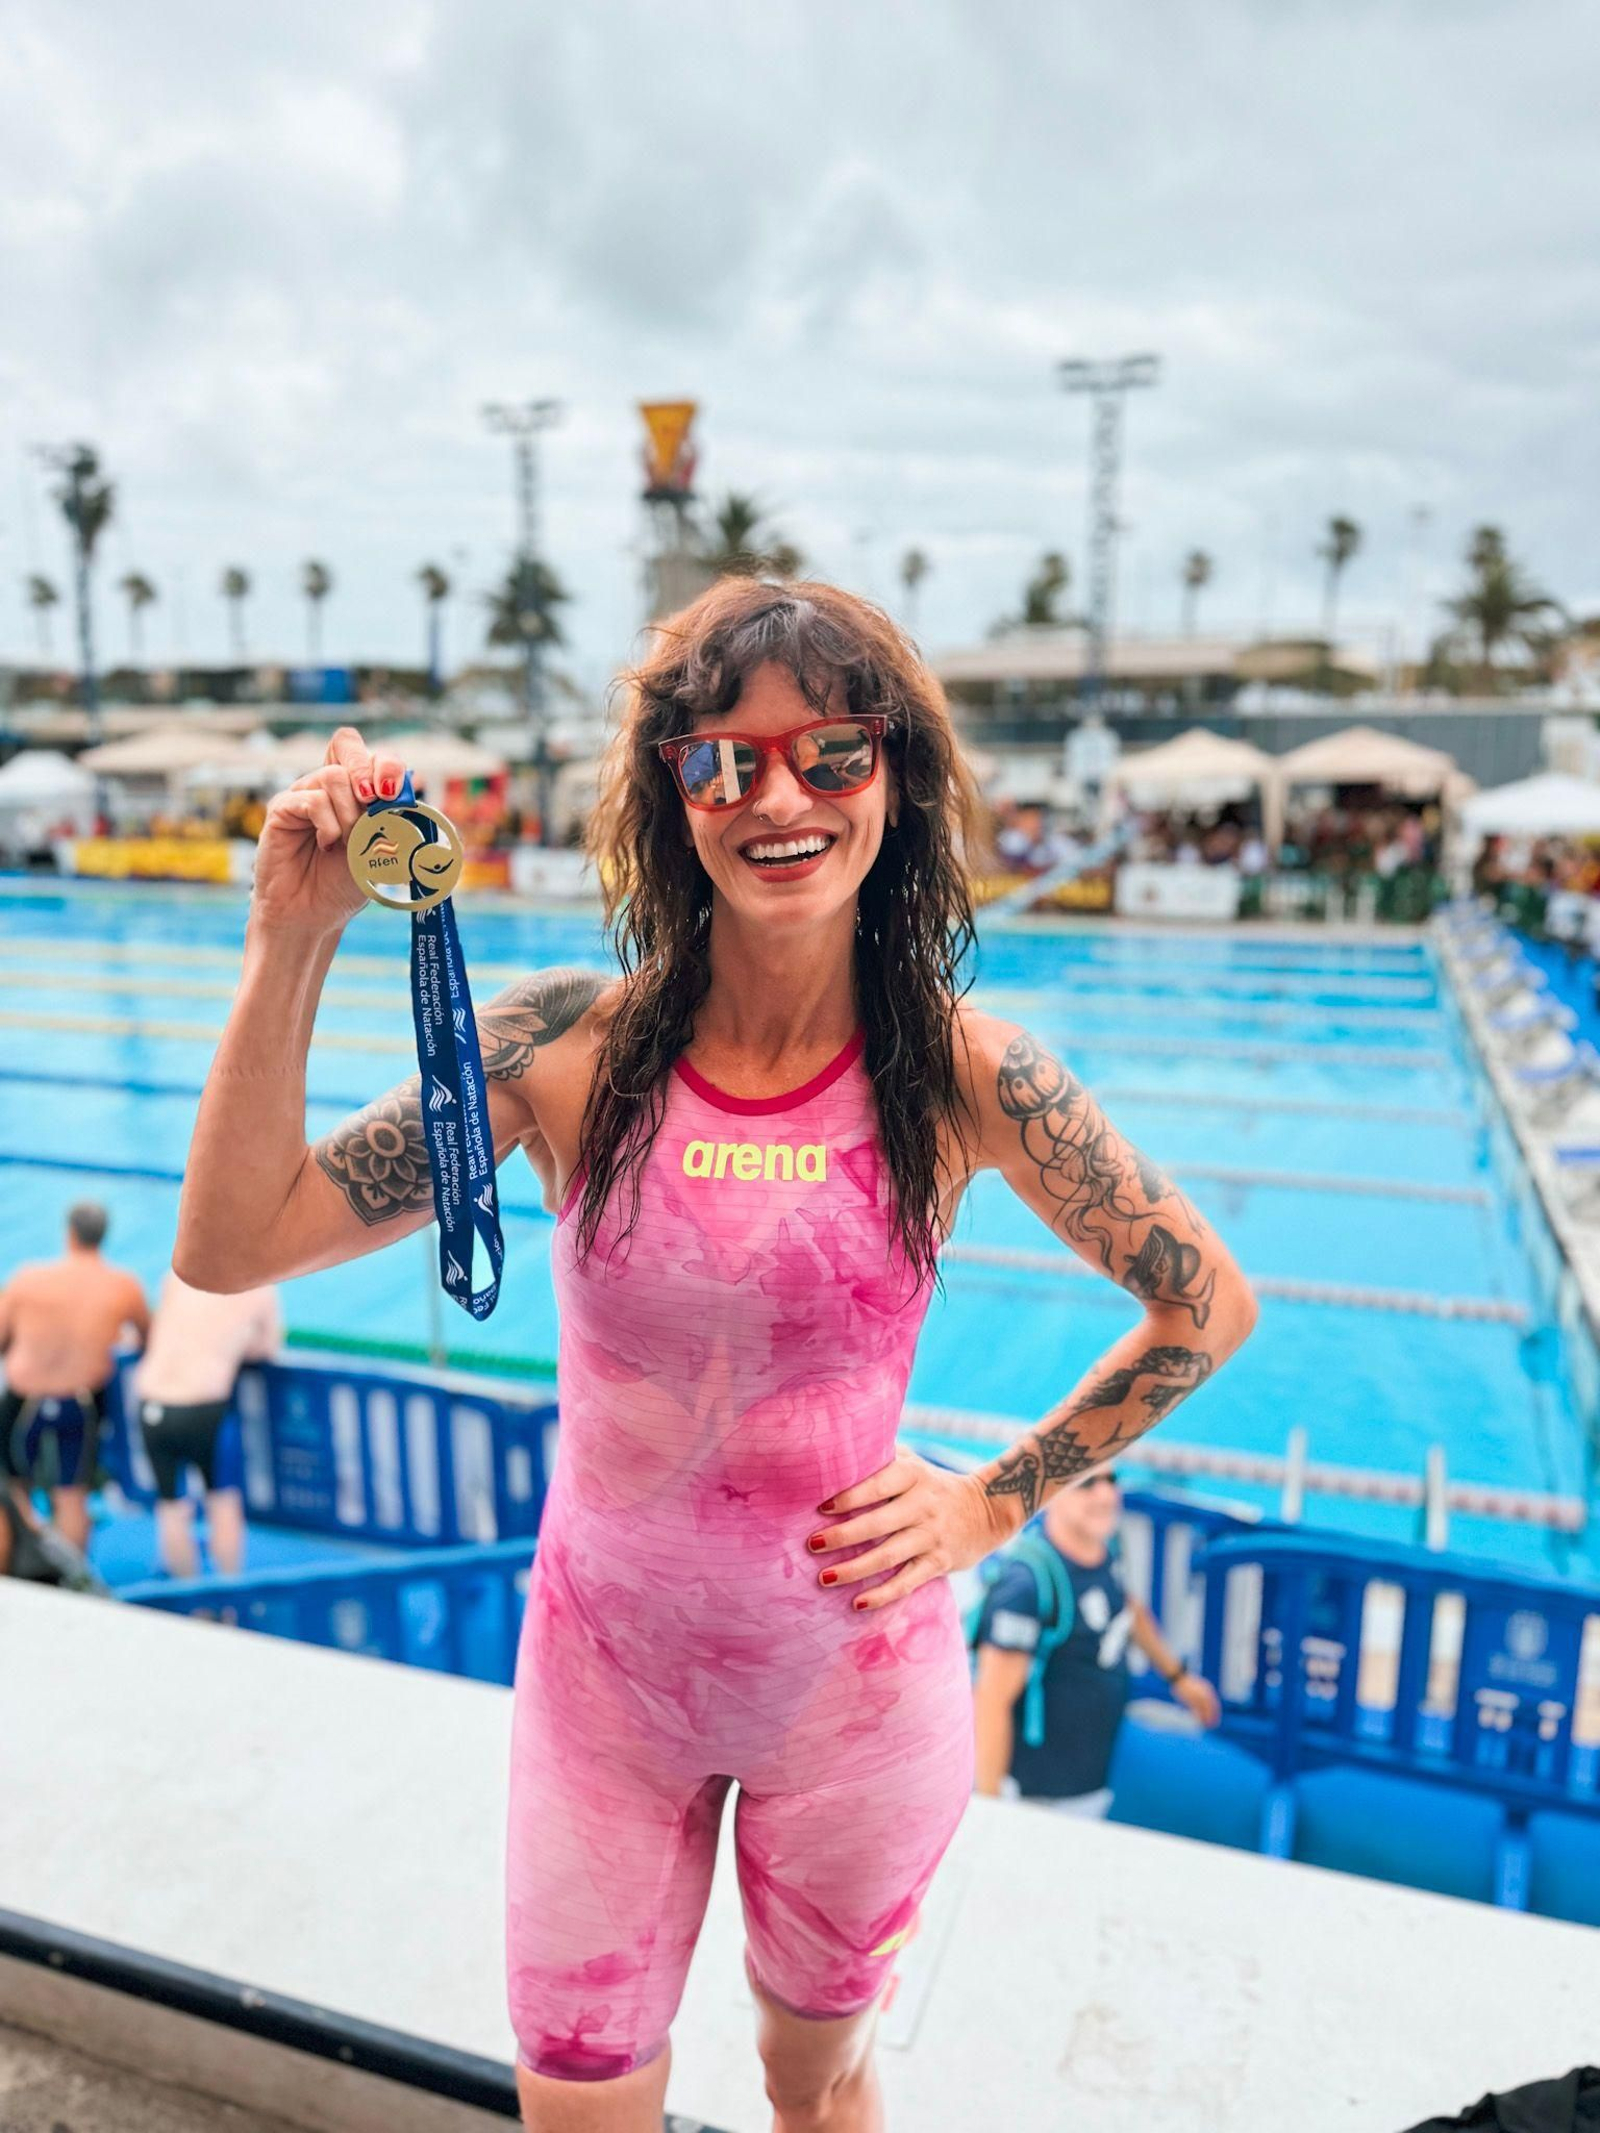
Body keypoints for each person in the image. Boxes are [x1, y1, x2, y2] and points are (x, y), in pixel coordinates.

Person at [175, 579, 1258, 2133]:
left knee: (808, 2086)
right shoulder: (567, 1047)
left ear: (895, 773)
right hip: (603, 1691)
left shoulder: (963, 1073)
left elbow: (1206, 1305)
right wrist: (294, 938)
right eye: (722, 761)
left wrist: (994, 1500)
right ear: (669, 794)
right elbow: (235, 1242)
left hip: (854, 1699)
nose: (778, 796)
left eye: (831, 750)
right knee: (576, 2097)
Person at [970, 1465, 1221, 1817]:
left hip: (1088, 1784)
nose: (1106, 1495)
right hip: (1034, 1797)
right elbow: (991, 1702)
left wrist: (1178, 1677)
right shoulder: (1026, 1587)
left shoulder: (1105, 1550)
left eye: (1111, 1480)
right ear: (1050, 1494)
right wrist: (991, 1810)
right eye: (1087, 1483)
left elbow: (1127, 1608)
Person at [0, 1202, 149, 1552]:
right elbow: (147, 1338)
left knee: (13, 1489)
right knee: (72, 1497)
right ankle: (72, 1583)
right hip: (81, 1403)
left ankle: (13, 1571)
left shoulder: (27, 1279)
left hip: (25, 1401)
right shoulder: (123, 1286)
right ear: (104, 1236)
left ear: (68, 1234)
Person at [134, 1272, 282, 1578]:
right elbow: (268, 1348)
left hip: (152, 1404)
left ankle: (189, 1602)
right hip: (204, 1407)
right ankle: (227, 1602)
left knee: (171, 1508)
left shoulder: (179, 1276)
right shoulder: (257, 1287)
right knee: (223, 1503)